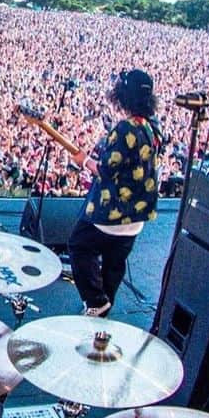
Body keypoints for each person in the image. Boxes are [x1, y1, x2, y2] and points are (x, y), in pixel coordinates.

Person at [68, 68, 163, 317]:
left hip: (112, 215)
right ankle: (102, 308)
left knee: (79, 245)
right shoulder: (153, 127)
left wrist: (83, 161)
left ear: (123, 96)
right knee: (114, 264)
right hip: (136, 218)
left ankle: (95, 300)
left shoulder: (125, 129)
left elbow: (107, 171)